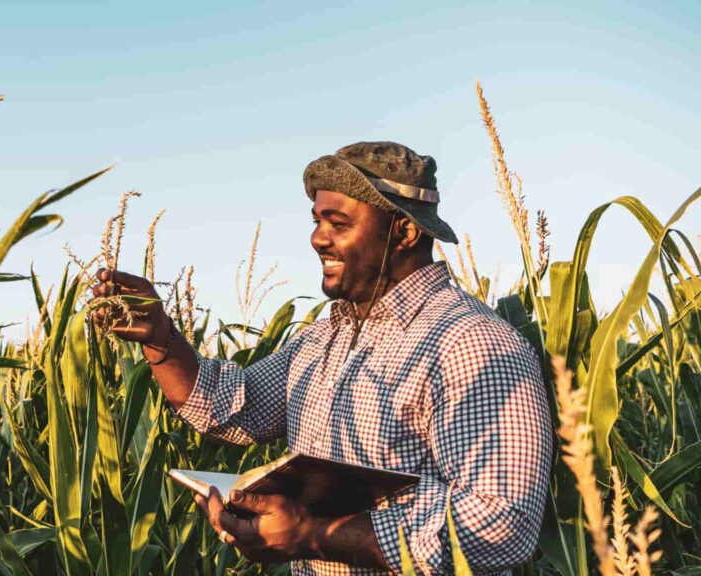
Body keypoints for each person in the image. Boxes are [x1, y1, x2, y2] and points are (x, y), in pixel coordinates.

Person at [88, 141, 553, 575]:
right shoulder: (324, 337)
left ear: (405, 231)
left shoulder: (472, 343)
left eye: (339, 223)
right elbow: (230, 407)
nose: (317, 239)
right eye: (316, 221)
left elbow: (503, 521)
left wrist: (313, 535)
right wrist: (159, 335)